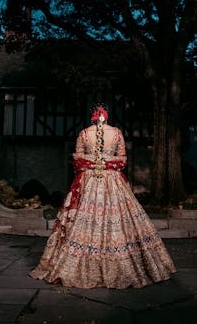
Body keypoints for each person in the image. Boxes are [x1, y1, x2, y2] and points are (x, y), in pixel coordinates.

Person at [29, 104, 177, 289]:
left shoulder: (84, 133)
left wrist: (93, 163)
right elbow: (122, 159)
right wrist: (108, 163)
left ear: (93, 115)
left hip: (89, 181)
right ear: (106, 117)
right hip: (113, 181)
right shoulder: (116, 133)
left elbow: (78, 160)